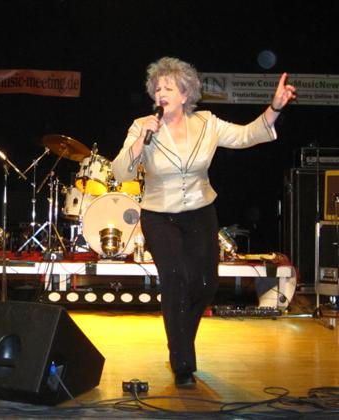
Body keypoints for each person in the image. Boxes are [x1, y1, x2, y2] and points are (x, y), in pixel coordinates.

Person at [111, 57, 296, 388]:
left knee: (206, 284)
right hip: (159, 214)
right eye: (157, 88)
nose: (161, 93)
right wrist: (140, 141)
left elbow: (246, 135)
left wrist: (275, 108)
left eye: (169, 88)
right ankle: (182, 361)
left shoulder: (207, 123)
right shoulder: (142, 126)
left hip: (200, 211)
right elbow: (119, 171)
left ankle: (182, 337)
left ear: (185, 94)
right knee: (175, 277)